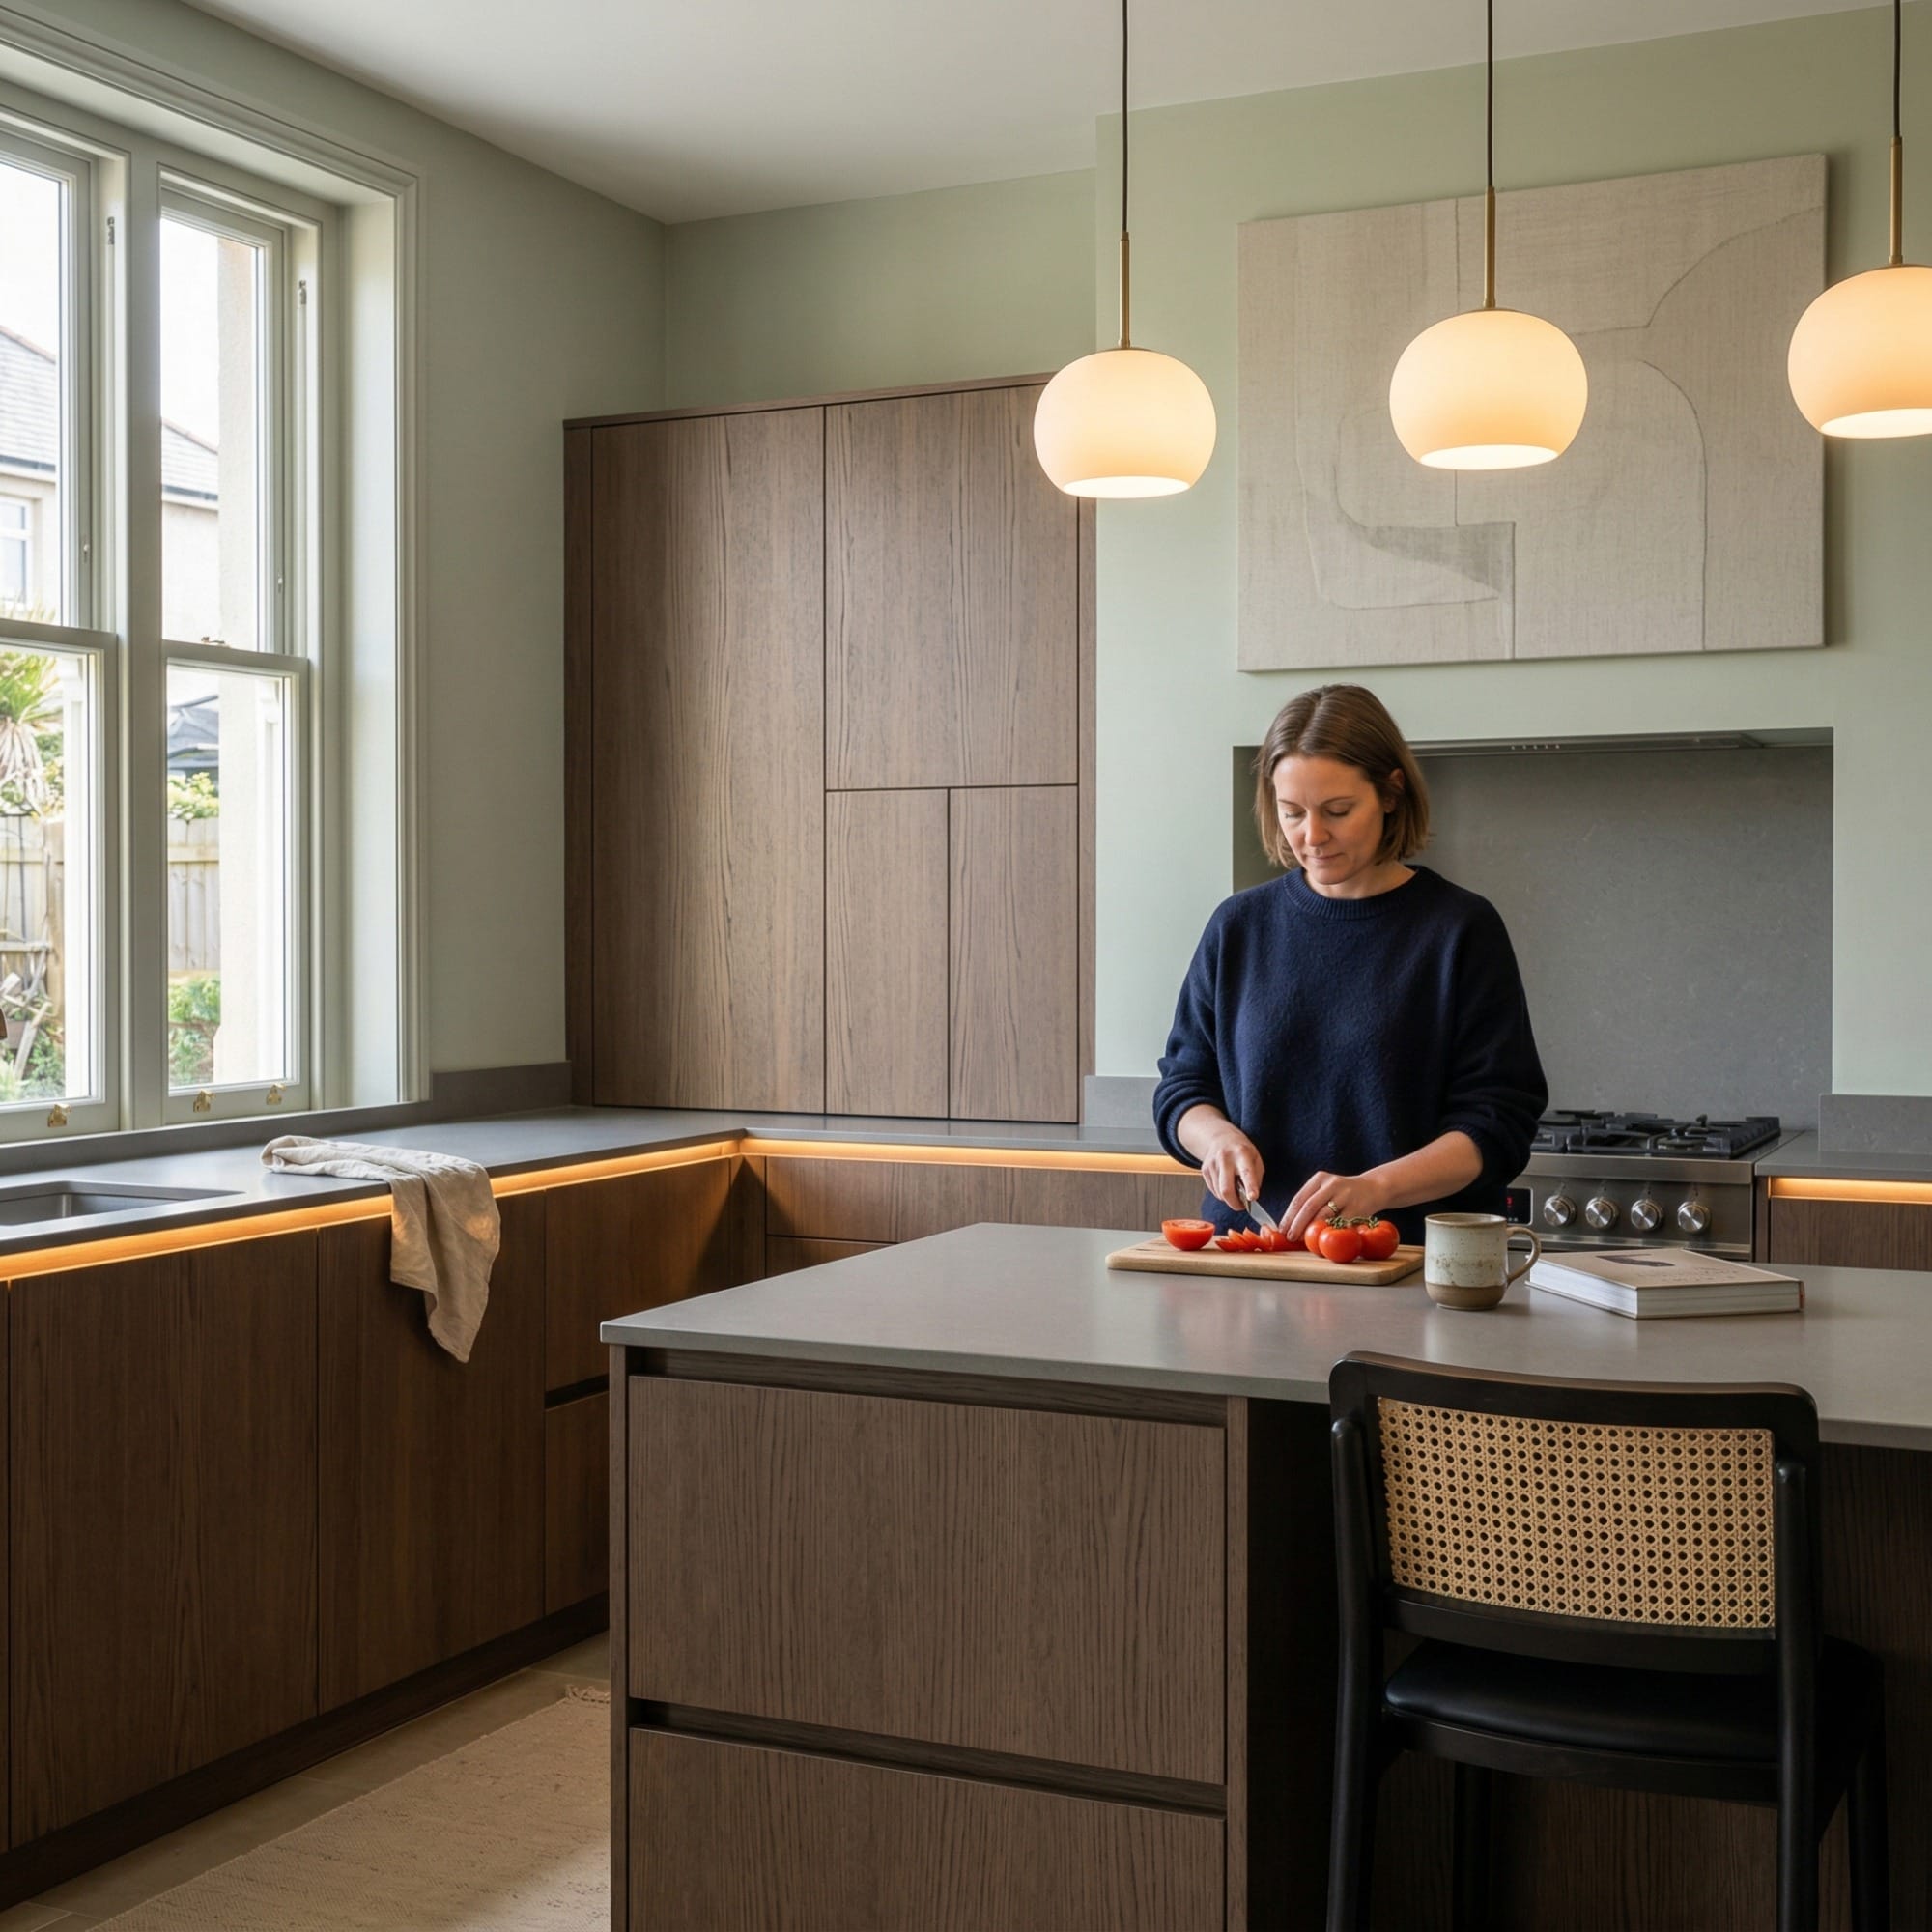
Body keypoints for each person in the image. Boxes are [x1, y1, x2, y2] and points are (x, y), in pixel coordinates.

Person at [1152, 684, 1547, 1246]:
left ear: (1391, 793)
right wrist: (1214, 1137)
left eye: (1338, 811)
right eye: (1292, 813)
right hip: (1253, 1257)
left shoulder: (1460, 930)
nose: (1311, 837)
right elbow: (1184, 1086)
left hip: (1406, 1260)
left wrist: (1376, 1189)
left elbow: (1498, 1123)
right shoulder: (1238, 926)